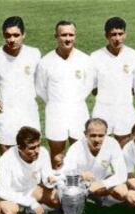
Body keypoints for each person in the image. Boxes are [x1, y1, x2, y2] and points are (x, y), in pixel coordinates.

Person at [36, 20, 94, 169]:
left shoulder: (85, 60)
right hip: (56, 111)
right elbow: (40, 89)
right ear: (56, 36)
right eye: (63, 35)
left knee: (81, 152)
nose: (67, 38)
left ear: (75, 36)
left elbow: (88, 86)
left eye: (71, 35)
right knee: (57, 156)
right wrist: (57, 102)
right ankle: (58, 186)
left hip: (78, 110)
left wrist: (74, 101)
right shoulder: (45, 62)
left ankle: (81, 188)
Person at [0, 16, 41, 155]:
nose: (12, 39)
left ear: (23, 34)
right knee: (7, 158)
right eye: (8, 35)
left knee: (32, 155)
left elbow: (43, 79)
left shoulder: (34, 53)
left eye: (16, 35)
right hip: (6, 115)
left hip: (29, 113)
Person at [0, 126, 60, 214]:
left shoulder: (43, 153)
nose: (37, 151)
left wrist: (50, 180)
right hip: (12, 194)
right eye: (32, 148)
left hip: (31, 189)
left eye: (38, 146)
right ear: (20, 148)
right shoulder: (6, 159)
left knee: (56, 197)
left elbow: (47, 176)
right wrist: (32, 203)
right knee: (10, 212)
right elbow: (3, 191)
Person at [91, 17, 135, 148]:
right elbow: (93, 88)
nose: (117, 38)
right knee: (99, 151)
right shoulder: (95, 57)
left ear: (125, 34)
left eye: (120, 34)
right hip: (102, 109)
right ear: (106, 35)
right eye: (113, 34)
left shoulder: (134, 56)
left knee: (124, 152)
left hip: (124, 109)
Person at [62, 118, 128, 206]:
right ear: (85, 134)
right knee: (70, 195)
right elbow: (65, 171)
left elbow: (122, 174)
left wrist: (101, 184)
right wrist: (81, 174)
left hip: (103, 180)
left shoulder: (112, 144)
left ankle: (104, 205)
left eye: (101, 135)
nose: (97, 140)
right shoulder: (76, 147)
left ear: (106, 133)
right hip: (82, 183)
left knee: (122, 191)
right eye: (93, 135)